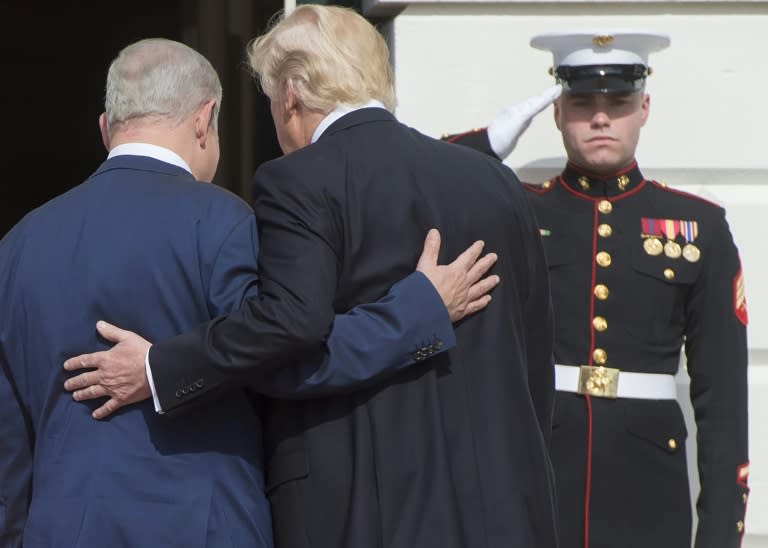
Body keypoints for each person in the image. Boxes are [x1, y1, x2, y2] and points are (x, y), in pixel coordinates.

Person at [63, 6, 558, 548]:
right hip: (506, 507)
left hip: (365, 510)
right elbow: (533, 358)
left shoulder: (298, 180)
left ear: (291, 94)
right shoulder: (496, 182)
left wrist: (161, 367)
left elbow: (287, 336)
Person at [446, 30, 750, 548]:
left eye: (620, 102)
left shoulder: (698, 226)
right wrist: (489, 144)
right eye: (582, 102)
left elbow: (723, 403)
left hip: (647, 485)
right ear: (558, 111)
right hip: (537, 471)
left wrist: (720, 536)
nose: (602, 117)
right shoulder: (516, 210)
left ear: (645, 108)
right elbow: (418, 187)